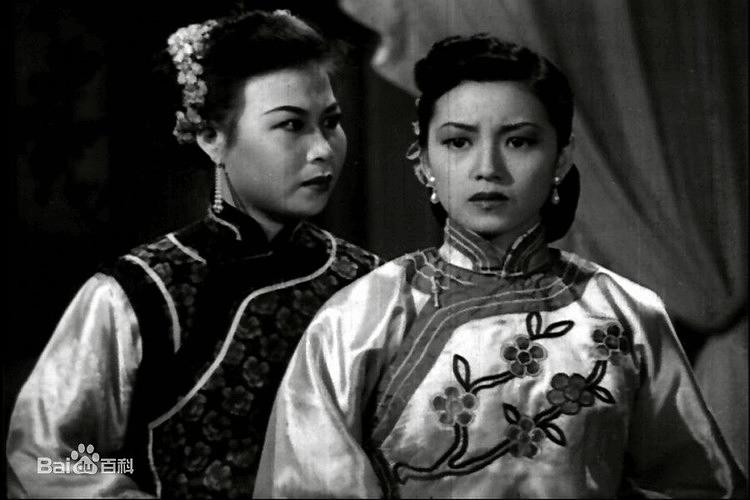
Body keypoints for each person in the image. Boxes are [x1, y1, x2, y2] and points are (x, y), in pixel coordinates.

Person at [254, 35, 746, 498]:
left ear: (561, 158)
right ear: (422, 161)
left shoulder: (627, 314)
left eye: (519, 141)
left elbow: (698, 486)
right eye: (458, 142)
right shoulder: (359, 318)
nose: (487, 167)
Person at [6, 9, 381, 498]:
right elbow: (45, 460)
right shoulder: (140, 292)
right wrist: (137, 471)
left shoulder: (369, 282)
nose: (322, 150)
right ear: (211, 138)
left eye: (330, 123)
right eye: (292, 125)